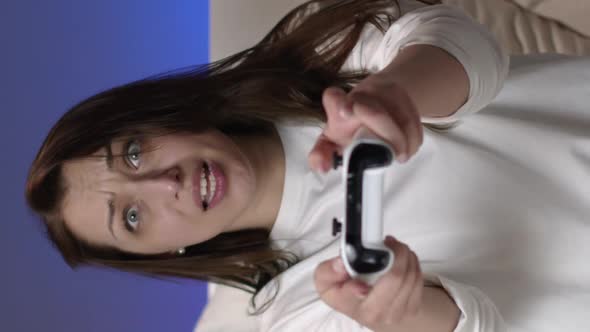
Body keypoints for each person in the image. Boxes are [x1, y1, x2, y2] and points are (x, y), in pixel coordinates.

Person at [25, 0, 590, 331]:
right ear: (159, 255)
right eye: (130, 216)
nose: (160, 183)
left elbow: (471, 46)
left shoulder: (310, 56)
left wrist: (397, 91)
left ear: (155, 118)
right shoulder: (294, 311)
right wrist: (413, 313)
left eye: (131, 153)